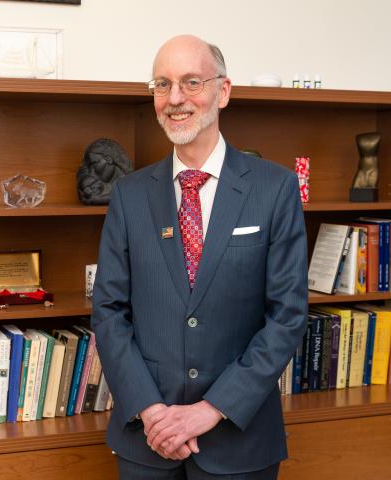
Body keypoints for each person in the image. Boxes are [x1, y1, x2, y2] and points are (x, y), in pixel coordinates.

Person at [91, 35, 308, 479]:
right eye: (162, 84)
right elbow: (109, 311)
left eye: (191, 82)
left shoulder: (275, 189)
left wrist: (210, 409)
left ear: (222, 91)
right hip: (146, 440)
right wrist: (152, 412)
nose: (174, 99)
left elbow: (287, 316)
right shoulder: (130, 195)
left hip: (239, 441)